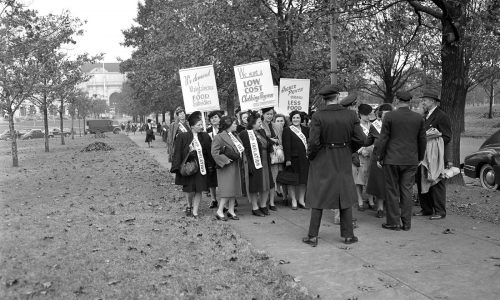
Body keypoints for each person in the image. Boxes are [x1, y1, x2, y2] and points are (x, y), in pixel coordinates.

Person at [302, 85, 365, 247]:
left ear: (324, 99)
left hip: (323, 157)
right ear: (337, 97)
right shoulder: (350, 115)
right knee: (344, 194)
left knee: (318, 194)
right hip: (343, 156)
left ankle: (312, 236)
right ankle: (348, 235)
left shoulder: (318, 115)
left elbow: (313, 142)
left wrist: (312, 156)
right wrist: (349, 149)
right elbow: (361, 139)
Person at [376, 91, 426, 231]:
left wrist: (380, 156)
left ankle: (393, 222)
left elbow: (383, 138)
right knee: (407, 190)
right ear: (410, 101)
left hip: (392, 159)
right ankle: (407, 223)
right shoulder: (418, 118)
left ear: (397, 100)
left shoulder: (390, 116)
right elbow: (422, 139)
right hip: (410, 159)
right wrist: (420, 157)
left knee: (392, 191)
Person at [415, 89, 452, 220]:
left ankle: (440, 211)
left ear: (432, 101)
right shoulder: (425, 115)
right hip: (423, 156)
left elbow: (447, 136)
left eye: (424, 100)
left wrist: (433, 138)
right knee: (422, 179)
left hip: (435, 156)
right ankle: (426, 209)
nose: (422, 102)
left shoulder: (442, 116)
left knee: (436, 182)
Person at [170, 112, 214, 219]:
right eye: (198, 125)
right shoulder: (183, 136)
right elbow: (178, 152)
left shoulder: (204, 136)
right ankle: (189, 205)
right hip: (189, 167)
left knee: (199, 189)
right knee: (189, 189)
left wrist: (212, 165)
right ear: (192, 126)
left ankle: (195, 211)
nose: (201, 127)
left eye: (201, 124)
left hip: (201, 167)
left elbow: (209, 151)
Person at [239, 111, 275, 217]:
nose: (260, 124)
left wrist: (271, 144)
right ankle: (255, 207)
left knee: (267, 184)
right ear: (253, 123)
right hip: (253, 163)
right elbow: (245, 151)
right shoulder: (245, 134)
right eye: (259, 122)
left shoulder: (262, 132)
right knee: (254, 186)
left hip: (265, 161)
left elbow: (268, 144)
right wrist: (249, 165)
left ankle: (263, 205)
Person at [211, 116, 246, 221]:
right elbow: (214, 152)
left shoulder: (235, 135)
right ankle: (220, 210)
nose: (236, 125)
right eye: (234, 123)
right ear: (228, 125)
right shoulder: (219, 137)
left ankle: (231, 210)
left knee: (233, 188)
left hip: (235, 165)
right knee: (228, 189)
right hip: (226, 166)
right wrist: (225, 160)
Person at [365, 103, 393, 218]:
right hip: (378, 157)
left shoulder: (395, 125)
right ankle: (380, 208)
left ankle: (391, 207)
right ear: (380, 115)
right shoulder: (374, 126)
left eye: (389, 114)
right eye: (384, 114)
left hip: (392, 157)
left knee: (391, 184)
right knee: (380, 184)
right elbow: (368, 141)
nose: (386, 116)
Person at [282, 110, 309, 210]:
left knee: (303, 180)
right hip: (292, 159)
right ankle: (293, 199)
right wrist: (288, 159)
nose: (296, 119)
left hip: (304, 159)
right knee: (292, 180)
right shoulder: (287, 130)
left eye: (297, 118)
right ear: (291, 119)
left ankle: (301, 200)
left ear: (301, 119)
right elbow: (286, 146)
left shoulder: (306, 129)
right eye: (294, 118)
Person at [353, 104, 375, 211]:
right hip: (360, 156)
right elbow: (353, 140)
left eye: (369, 114)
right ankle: (360, 200)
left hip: (372, 155)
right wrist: (361, 150)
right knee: (359, 180)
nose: (368, 117)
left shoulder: (373, 125)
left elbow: (376, 139)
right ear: (360, 114)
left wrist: (371, 149)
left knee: (371, 179)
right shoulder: (356, 126)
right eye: (366, 115)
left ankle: (371, 200)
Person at [261, 107, 281, 211]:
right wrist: (270, 140)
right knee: (264, 179)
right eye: (267, 114)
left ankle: (272, 202)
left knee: (273, 179)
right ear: (263, 114)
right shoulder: (259, 125)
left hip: (275, 156)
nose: (269, 116)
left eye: (271, 114)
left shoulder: (277, 126)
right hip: (264, 156)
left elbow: (280, 140)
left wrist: (279, 147)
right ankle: (263, 201)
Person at [206, 111, 221, 208]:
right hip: (211, 158)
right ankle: (213, 199)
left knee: (224, 179)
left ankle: (230, 199)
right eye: (211, 118)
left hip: (222, 156)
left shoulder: (224, 129)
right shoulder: (207, 131)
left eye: (215, 117)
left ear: (220, 118)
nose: (213, 119)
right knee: (212, 180)